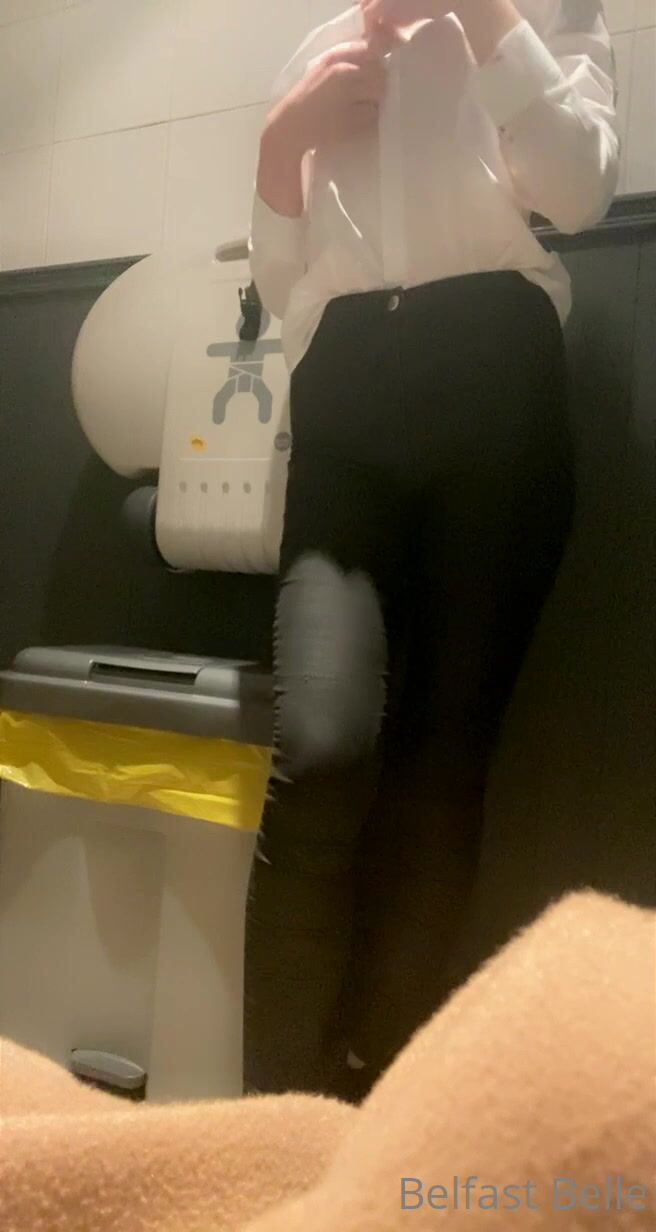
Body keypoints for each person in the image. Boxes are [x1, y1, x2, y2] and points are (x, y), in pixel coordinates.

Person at [246, 0, 619, 1102]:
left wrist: (487, 16)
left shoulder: (549, 11)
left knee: (443, 765)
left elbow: (581, 190)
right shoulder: (319, 49)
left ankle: (376, 1097)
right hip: (347, 393)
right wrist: (279, 140)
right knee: (318, 748)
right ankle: (272, 1112)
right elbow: (281, 285)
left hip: (494, 374)